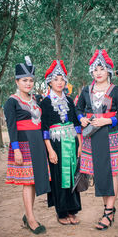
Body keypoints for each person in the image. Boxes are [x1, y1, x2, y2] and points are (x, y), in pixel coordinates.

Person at [76, 49, 118, 230]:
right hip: (92, 137)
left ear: (108, 72)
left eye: (102, 69)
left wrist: (108, 120)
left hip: (110, 136)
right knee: (99, 173)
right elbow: (78, 109)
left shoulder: (117, 91)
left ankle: (108, 212)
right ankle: (108, 209)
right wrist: (81, 118)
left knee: (111, 172)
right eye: (95, 70)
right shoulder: (86, 91)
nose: (98, 73)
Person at [4, 56, 51, 235]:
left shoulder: (35, 100)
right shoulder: (12, 101)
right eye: (24, 80)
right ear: (17, 81)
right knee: (27, 182)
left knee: (33, 181)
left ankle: (28, 215)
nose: (28, 83)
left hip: (37, 143)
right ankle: (30, 219)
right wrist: (16, 149)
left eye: (31, 80)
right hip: (23, 145)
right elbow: (11, 127)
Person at [41, 60, 82, 225]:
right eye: (56, 79)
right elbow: (44, 129)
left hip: (72, 144)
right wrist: (50, 150)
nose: (59, 82)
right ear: (50, 82)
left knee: (73, 176)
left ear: (65, 82)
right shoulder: (45, 103)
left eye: (62, 79)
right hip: (56, 144)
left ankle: (73, 209)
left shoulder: (70, 101)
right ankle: (61, 212)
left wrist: (80, 145)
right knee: (59, 177)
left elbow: (76, 125)